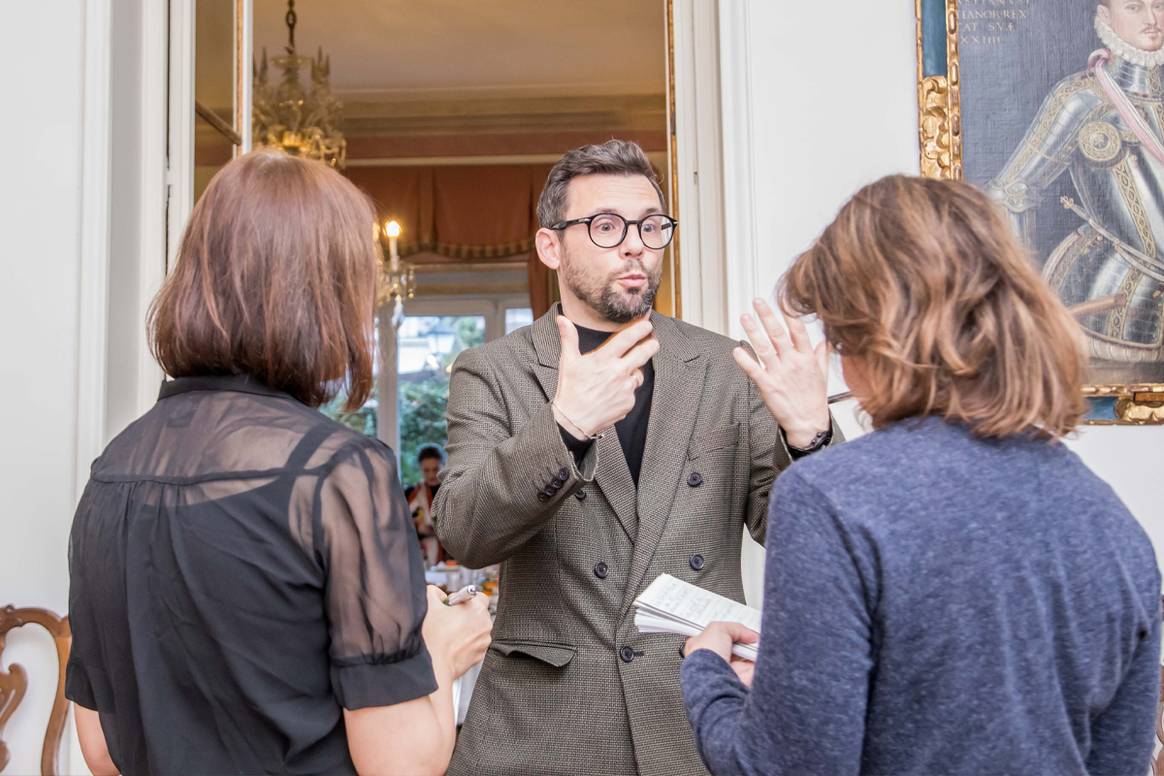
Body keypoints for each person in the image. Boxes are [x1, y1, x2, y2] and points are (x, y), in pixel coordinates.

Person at [681, 175, 1161, 776]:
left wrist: (709, 674)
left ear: (868, 336)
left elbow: (780, 769)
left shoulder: (830, 498)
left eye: (835, 332)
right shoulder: (1113, 525)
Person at [65, 149, 492, 776]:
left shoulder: (111, 472)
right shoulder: (338, 474)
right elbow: (401, 767)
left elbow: (101, 751)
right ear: (328, 299)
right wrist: (443, 651)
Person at [432, 138, 838, 775]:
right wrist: (563, 426)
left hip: (689, 721)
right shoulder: (493, 372)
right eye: (605, 225)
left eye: (651, 226)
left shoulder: (723, 368)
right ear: (550, 245)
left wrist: (811, 437)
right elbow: (464, 531)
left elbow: (798, 539)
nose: (635, 244)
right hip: (546, 735)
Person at [987, 0, 1164, 381]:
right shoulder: (1083, 98)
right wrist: (1026, 299)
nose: (1152, 20)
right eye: (1135, 7)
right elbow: (1012, 192)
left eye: (1160, 6)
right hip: (1108, 303)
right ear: (1105, 16)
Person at [407, 444, 448, 566]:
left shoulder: (453, 492)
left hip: (454, 557)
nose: (431, 475)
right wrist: (418, 530)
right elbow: (403, 528)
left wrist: (432, 531)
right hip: (423, 557)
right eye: (426, 470)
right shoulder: (412, 494)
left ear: (443, 465)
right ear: (420, 469)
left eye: (435, 469)